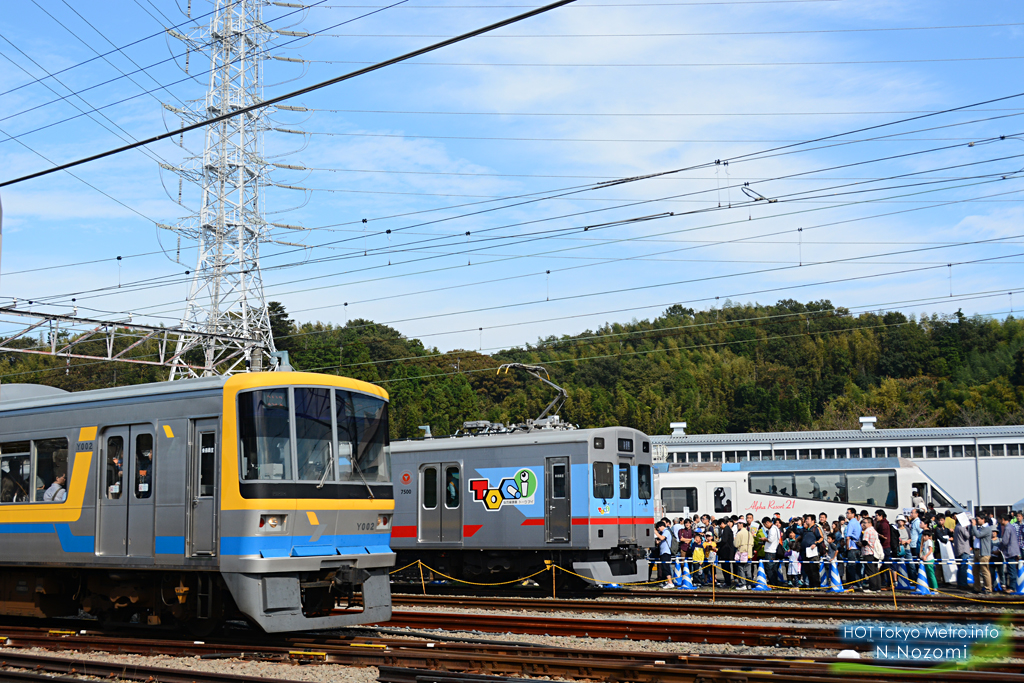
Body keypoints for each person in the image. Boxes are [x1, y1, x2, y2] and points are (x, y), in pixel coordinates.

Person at [970, 515, 993, 594]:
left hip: (983, 552)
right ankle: (977, 588)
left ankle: (988, 589)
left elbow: (978, 535)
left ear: (983, 519)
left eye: (978, 519)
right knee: (975, 571)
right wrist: (972, 526)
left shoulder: (987, 528)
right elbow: (973, 533)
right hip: (976, 551)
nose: (977, 520)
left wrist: (974, 526)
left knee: (985, 571)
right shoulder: (980, 528)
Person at [998, 513, 1021, 593]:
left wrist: (999, 549)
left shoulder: (1007, 528)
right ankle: (1011, 586)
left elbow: (1004, 541)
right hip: (1014, 551)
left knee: (1011, 570)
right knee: (1012, 569)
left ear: (1003, 519)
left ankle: (1012, 587)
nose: (999, 521)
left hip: (1010, 552)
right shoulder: (1011, 526)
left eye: (1000, 520)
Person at [800, 514, 823, 589]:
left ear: (813, 520)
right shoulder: (806, 529)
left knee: (814, 569)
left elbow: (821, 538)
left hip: (813, 552)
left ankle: (816, 585)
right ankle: (811, 585)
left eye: (808, 519)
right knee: (807, 570)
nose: (806, 520)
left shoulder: (816, 528)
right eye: (806, 519)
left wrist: (815, 543)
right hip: (805, 552)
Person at [860, 518, 882, 592]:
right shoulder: (874, 531)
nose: (863, 524)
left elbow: (865, 542)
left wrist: (859, 543)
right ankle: (878, 587)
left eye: (865, 522)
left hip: (868, 552)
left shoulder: (867, 531)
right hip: (875, 553)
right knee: (875, 571)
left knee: (870, 571)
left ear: (870, 523)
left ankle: (872, 588)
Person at [843, 507, 862, 584]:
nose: (847, 514)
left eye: (848, 513)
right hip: (858, 547)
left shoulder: (851, 522)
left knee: (851, 567)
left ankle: (853, 584)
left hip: (852, 547)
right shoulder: (857, 522)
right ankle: (858, 583)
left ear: (853, 514)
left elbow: (848, 537)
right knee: (857, 567)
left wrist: (847, 547)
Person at [733, 520, 754, 589]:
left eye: (738, 524)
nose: (737, 525)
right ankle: (749, 584)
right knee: (748, 570)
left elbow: (736, 544)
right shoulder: (749, 533)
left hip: (742, 553)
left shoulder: (739, 533)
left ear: (742, 524)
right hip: (749, 554)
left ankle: (743, 584)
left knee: (741, 569)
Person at [954, 515, 972, 590]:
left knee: (960, 567)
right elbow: (967, 536)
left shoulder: (956, 527)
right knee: (963, 568)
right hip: (964, 549)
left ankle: (959, 583)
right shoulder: (962, 527)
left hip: (958, 549)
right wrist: (967, 529)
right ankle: (963, 584)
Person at [654, 522, 673, 588]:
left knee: (666, 567)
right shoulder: (663, 532)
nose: (659, 529)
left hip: (666, 552)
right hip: (663, 552)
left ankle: (670, 582)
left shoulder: (666, 531)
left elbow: (662, 538)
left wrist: (656, 532)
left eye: (659, 528)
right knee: (664, 567)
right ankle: (668, 582)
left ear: (662, 526)